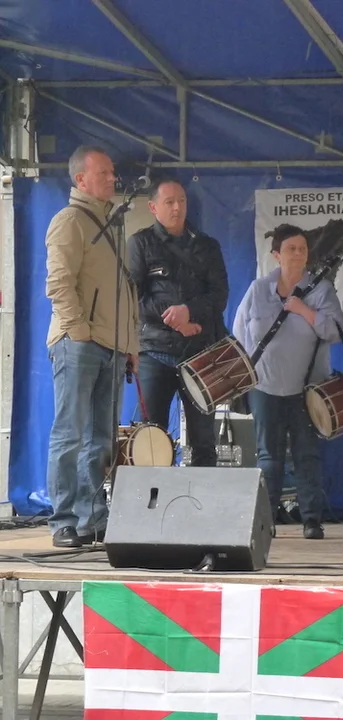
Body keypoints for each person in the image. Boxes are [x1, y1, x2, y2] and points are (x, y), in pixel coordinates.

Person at [45, 146, 139, 548]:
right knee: (70, 434)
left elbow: (124, 292)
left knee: (100, 438)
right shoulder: (70, 221)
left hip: (112, 345)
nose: (113, 178)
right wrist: (79, 330)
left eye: (112, 171)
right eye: (104, 172)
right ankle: (63, 521)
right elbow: (58, 283)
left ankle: (92, 517)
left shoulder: (112, 223)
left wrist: (130, 344)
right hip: (80, 343)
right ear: (80, 179)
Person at [233, 224, 343, 539]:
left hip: (305, 389)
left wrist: (303, 310)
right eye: (291, 249)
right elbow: (240, 333)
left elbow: (335, 331)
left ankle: (311, 521)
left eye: (302, 249)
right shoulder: (258, 290)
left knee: (306, 455)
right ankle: (266, 521)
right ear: (276, 255)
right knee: (268, 456)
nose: (297, 254)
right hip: (265, 386)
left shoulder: (321, 290)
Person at [127, 177, 228, 465]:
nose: (177, 207)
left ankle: (202, 492)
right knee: (151, 437)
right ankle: (152, 494)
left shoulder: (207, 246)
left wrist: (189, 311)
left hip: (200, 352)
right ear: (153, 207)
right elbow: (133, 297)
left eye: (181, 201)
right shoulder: (140, 243)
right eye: (169, 202)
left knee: (204, 439)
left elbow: (219, 295)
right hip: (154, 351)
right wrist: (176, 318)